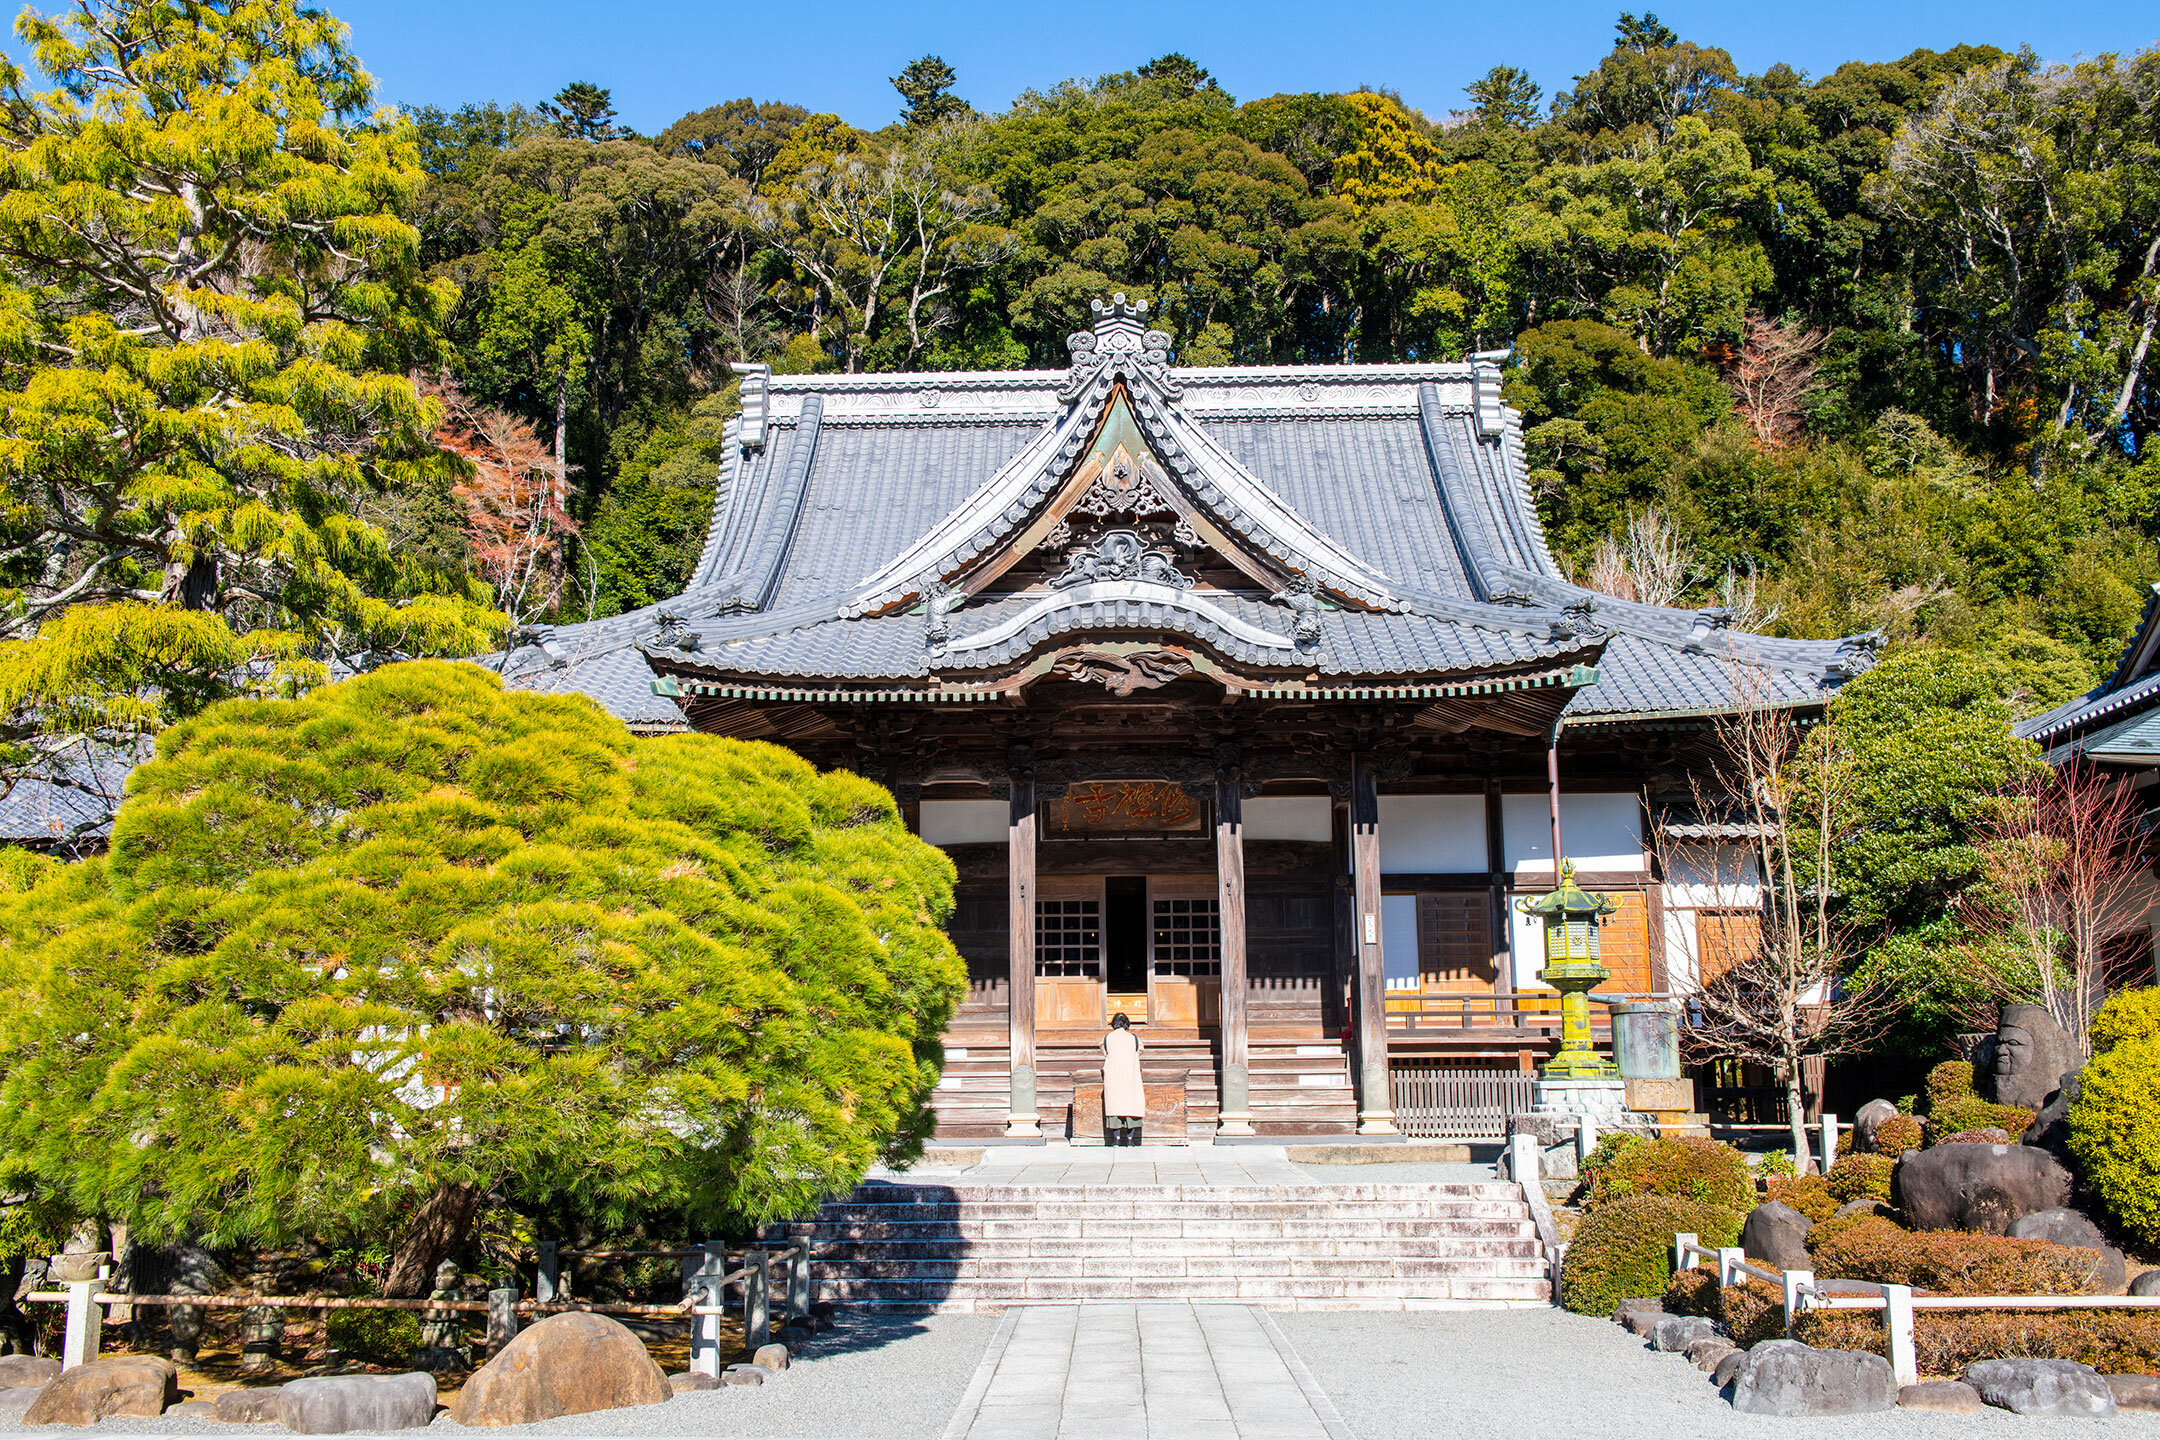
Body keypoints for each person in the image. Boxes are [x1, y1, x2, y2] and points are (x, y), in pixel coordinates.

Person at [1102, 1011, 1144, 1146]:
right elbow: (1140, 1050)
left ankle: (1116, 1139)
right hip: (1130, 1075)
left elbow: (1104, 1050)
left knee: (1114, 1106)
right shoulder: (1134, 1039)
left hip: (1113, 1076)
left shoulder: (1107, 1038)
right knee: (1131, 1106)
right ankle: (1130, 1140)